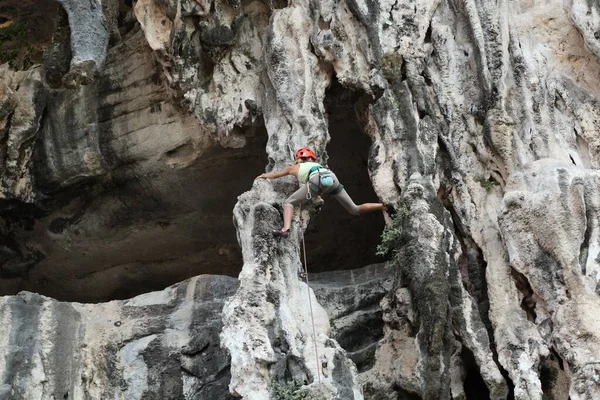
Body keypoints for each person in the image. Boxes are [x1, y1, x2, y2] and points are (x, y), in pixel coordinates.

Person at [256, 147, 390, 237]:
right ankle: (384, 206)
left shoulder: (294, 167)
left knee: (289, 202)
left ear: (298, 159)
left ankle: (285, 229)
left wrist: (264, 175)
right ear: (311, 159)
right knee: (354, 208)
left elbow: (276, 175)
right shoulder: (318, 165)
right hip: (331, 178)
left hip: (317, 180)